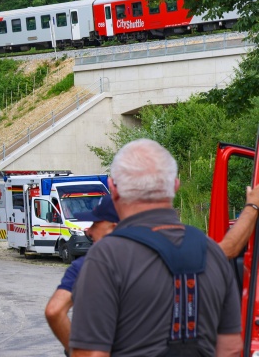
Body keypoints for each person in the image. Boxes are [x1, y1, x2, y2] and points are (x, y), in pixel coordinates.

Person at [70, 139, 241, 356]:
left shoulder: (105, 257)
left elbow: (90, 354)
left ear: (113, 189)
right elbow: (232, 349)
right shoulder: (213, 252)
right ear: (176, 186)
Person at [45, 195, 118, 355]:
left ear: (113, 226)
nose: (89, 230)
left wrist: (76, 352)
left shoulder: (86, 265)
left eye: (95, 223)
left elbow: (54, 311)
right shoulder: (153, 260)